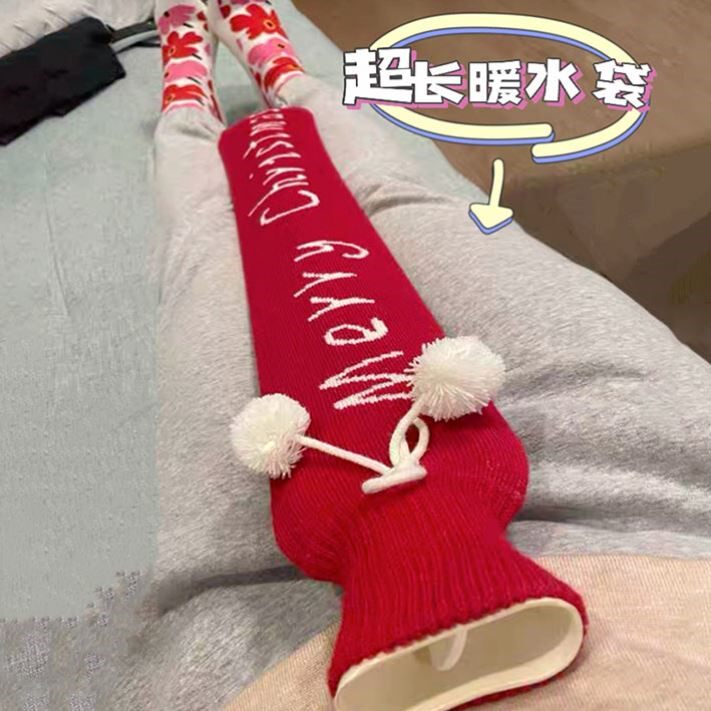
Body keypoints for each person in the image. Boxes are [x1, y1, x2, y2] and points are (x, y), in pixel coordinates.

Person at [142, 1, 711, 709]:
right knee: (397, 198)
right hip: (661, 527)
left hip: (265, 641)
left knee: (206, 243)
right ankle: (283, 76)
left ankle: (189, 98)